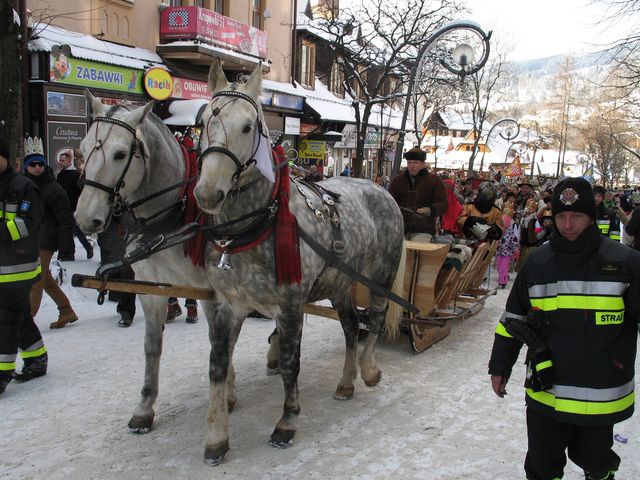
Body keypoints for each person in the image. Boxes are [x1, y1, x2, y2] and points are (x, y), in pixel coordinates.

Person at [488, 177, 640, 480]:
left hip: (601, 388)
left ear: (591, 218)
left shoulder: (625, 262)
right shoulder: (537, 263)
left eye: (577, 216)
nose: (568, 224)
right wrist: (500, 366)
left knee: (597, 462)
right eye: (561, 216)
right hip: (548, 388)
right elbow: (513, 321)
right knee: (543, 466)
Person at [0, 139, 47, 394]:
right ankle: (36, 358)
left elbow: (30, 221)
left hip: (19, 267)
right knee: (18, 316)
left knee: (6, 318)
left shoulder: (23, 186)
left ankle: (2, 372)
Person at [23, 151, 78, 330]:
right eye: (33, 164)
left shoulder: (53, 189)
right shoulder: (22, 185)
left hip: (46, 240)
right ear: (27, 167)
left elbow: (65, 219)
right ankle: (66, 310)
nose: (37, 167)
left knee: (35, 279)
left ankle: (25, 322)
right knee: (45, 278)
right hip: (27, 238)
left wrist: (66, 248)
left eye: (40, 164)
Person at [388, 147, 447, 243]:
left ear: (423, 164)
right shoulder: (398, 181)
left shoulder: (434, 180)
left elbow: (443, 204)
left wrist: (429, 210)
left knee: (417, 250)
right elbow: (390, 201)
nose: (412, 166)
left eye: (415, 163)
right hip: (400, 228)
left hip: (423, 229)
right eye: (409, 162)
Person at [97, 218, 136, 327]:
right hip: (108, 228)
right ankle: (117, 296)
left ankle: (126, 311)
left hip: (126, 226)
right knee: (110, 266)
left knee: (126, 269)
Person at [56, 148, 93, 259]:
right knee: (68, 229)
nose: (61, 163)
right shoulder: (60, 175)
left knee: (74, 229)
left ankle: (86, 247)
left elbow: (81, 189)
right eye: (60, 160)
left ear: (69, 162)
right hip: (63, 206)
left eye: (63, 161)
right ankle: (67, 251)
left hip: (74, 205)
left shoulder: (76, 174)